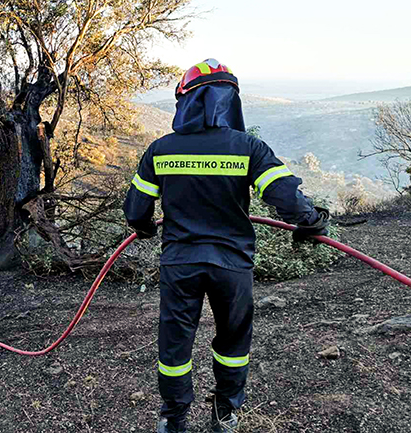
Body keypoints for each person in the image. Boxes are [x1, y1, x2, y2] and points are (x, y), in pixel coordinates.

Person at [123, 59, 330, 433]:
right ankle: (225, 414)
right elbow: (286, 197)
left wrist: (144, 230)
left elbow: (136, 211)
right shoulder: (248, 147)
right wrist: (312, 223)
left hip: (180, 265)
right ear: (230, 101)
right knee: (233, 342)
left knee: (175, 345)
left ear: (185, 100)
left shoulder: (161, 149)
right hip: (232, 267)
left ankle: (173, 419)